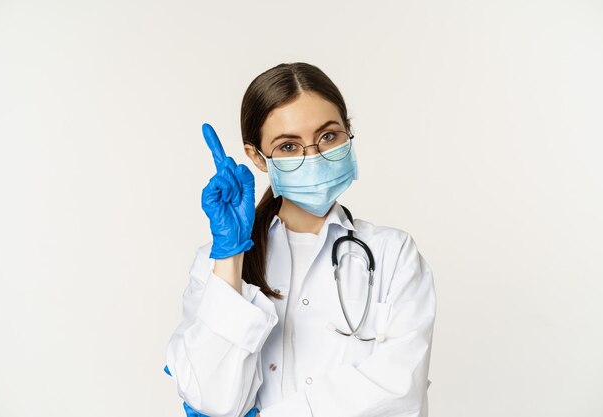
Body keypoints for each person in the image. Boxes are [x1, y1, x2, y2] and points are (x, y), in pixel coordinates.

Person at [164, 62, 437, 417]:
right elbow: (213, 400)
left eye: (328, 136)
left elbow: (401, 390)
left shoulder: (393, 254)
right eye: (289, 146)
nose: (315, 157)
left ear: (348, 133)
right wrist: (231, 256)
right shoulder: (215, 266)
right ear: (257, 158)